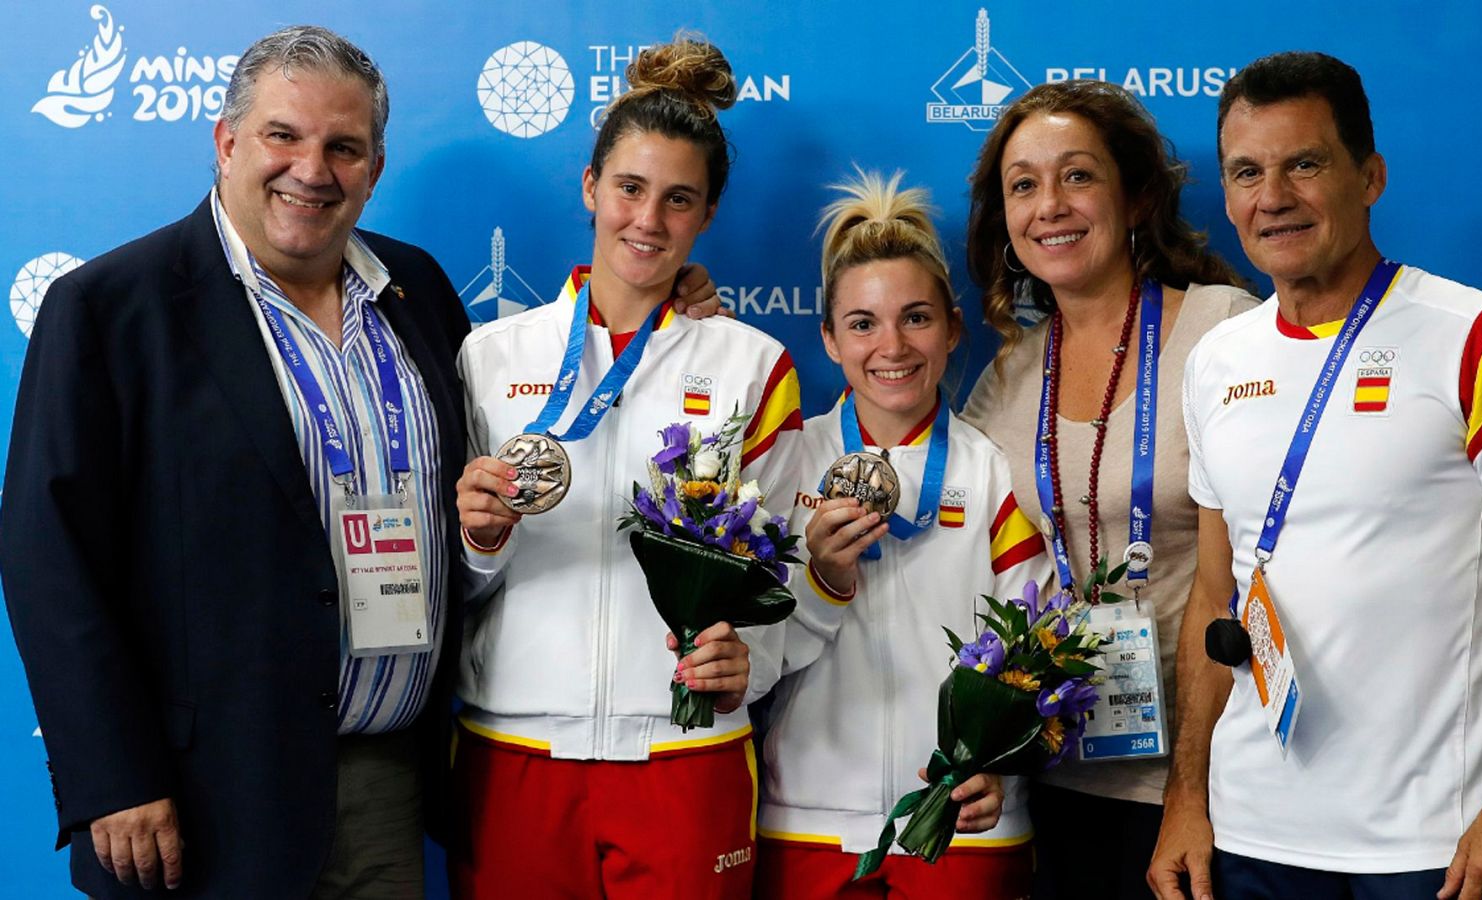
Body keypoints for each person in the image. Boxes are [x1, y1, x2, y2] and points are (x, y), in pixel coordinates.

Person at [0, 26, 467, 898]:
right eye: (282, 136)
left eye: (344, 146)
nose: (312, 168)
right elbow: (46, 558)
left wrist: (681, 309)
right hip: (199, 802)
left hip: (388, 785)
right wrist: (116, 779)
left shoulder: (421, 290)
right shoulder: (108, 309)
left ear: (374, 165)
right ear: (225, 143)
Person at [1149, 51, 1482, 900]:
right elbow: (1216, 595)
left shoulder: (1479, 338)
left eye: (1304, 164)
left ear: (1371, 176)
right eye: (1246, 172)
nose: (1271, 196)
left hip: (1436, 845)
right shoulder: (1216, 360)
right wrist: (1186, 799)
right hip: (1248, 841)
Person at [448, 34, 803, 899]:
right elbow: (449, 587)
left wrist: (747, 656)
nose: (648, 220)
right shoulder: (489, 355)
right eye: (630, 189)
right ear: (590, 188)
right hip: (515, 751)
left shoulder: (754, 366)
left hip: (684, 754)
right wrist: (480, 542)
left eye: (678, 199)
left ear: (708, 214)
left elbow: (777, 577)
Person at [959, 79, 1254, 899]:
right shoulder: (1006, 379)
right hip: (1057, 778)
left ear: (1137, 197)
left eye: (1077, 175)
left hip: (1216, 776)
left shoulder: (1223, 331)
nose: (1049, 204)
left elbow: (1309, 521)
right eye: (1023, 185)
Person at [755, 170, 1049, 899]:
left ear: (953, 327)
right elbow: (757, 663)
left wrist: (1002, 767)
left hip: (963, 821)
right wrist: (822, 580)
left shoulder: (993, 472)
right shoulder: (786, 462)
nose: (891, 346)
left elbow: (1037, 657)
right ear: (828, 338)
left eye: (916, 318)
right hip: (807, 822)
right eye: (862, 323)